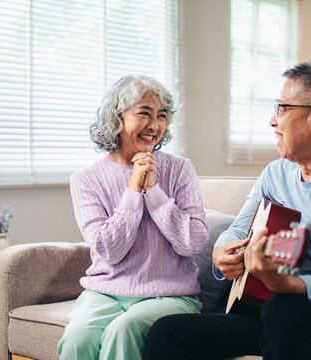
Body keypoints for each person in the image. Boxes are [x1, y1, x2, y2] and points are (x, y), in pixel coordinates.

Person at [147, 62, 311, 360]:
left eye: (282, 108)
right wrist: (221, 253)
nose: (272, 121)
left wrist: (282, 283)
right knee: (167, 333)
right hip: (268, 311)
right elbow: (238, 229)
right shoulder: (275, 174)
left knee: (283, 309)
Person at [57, 75, 209, 360]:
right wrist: (133, 186)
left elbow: (193, 243)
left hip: (170, 294)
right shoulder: (85, 179)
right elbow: (108, 250)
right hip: (105, 293)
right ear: (116, 119)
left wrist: (153, 190)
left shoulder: (180, 169)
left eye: (162, 116)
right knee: (78, 339)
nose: (155, 125)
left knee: (123, 330)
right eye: (145, 114)